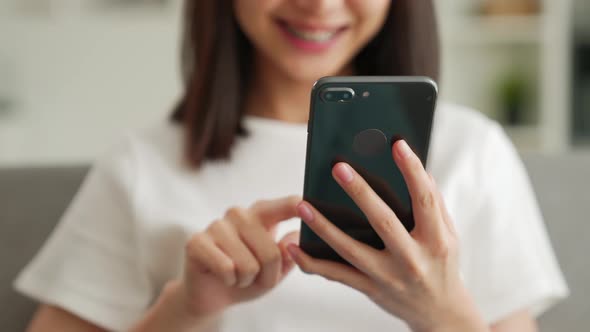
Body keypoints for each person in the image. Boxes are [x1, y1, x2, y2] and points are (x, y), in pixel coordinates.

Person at [15, 1, 568, 331]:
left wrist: (442, 313)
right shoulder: (141, 164)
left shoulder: (473, 151)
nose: (320, 3)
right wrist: (185, 311)